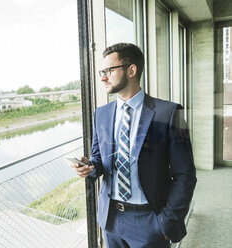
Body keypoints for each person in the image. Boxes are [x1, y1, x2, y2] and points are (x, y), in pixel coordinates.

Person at [70, 43, 196, 248]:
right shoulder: (101, 114)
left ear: (131, 70)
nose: (103, 77)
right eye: (103, 72)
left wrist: (166, 223)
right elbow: (98, 161)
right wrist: (89, 167)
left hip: (150, 220)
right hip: (111, 220)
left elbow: (186, 175)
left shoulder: (172, 112)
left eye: (109, 71)